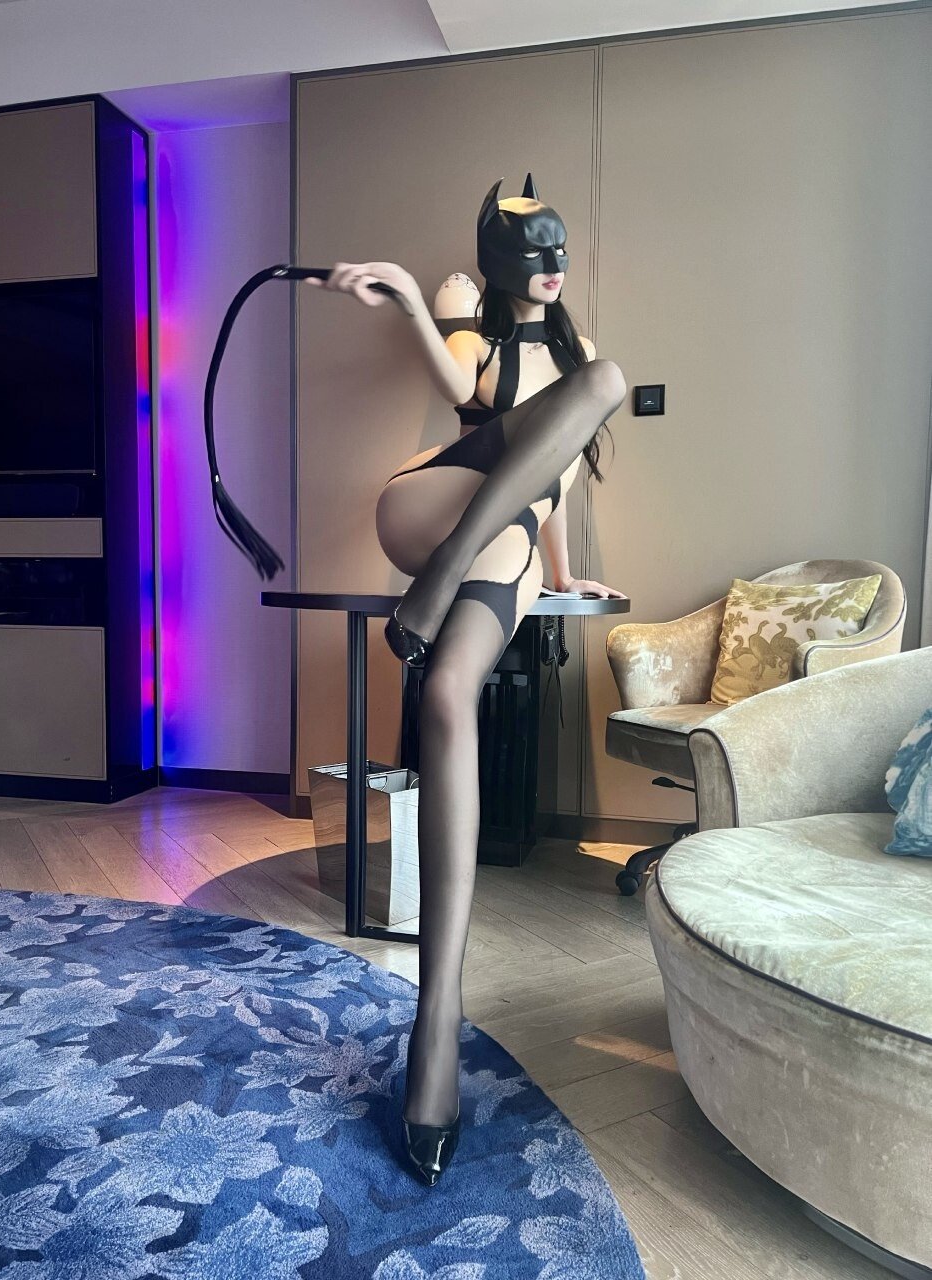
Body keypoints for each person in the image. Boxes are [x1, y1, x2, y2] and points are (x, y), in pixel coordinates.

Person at [304, 174, 627, 1187]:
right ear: (496, 264)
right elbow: (455, 390)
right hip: (431, 506)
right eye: (529, 249)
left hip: (504, 543)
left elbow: (555, 489)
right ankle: (436, 580)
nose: (550, 263)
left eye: (556, 248)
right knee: (601, 384)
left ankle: (434, 1018)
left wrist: (566, 575)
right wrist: (411, 293)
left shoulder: (576, 361)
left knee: (447, 694)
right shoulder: (484, 347)